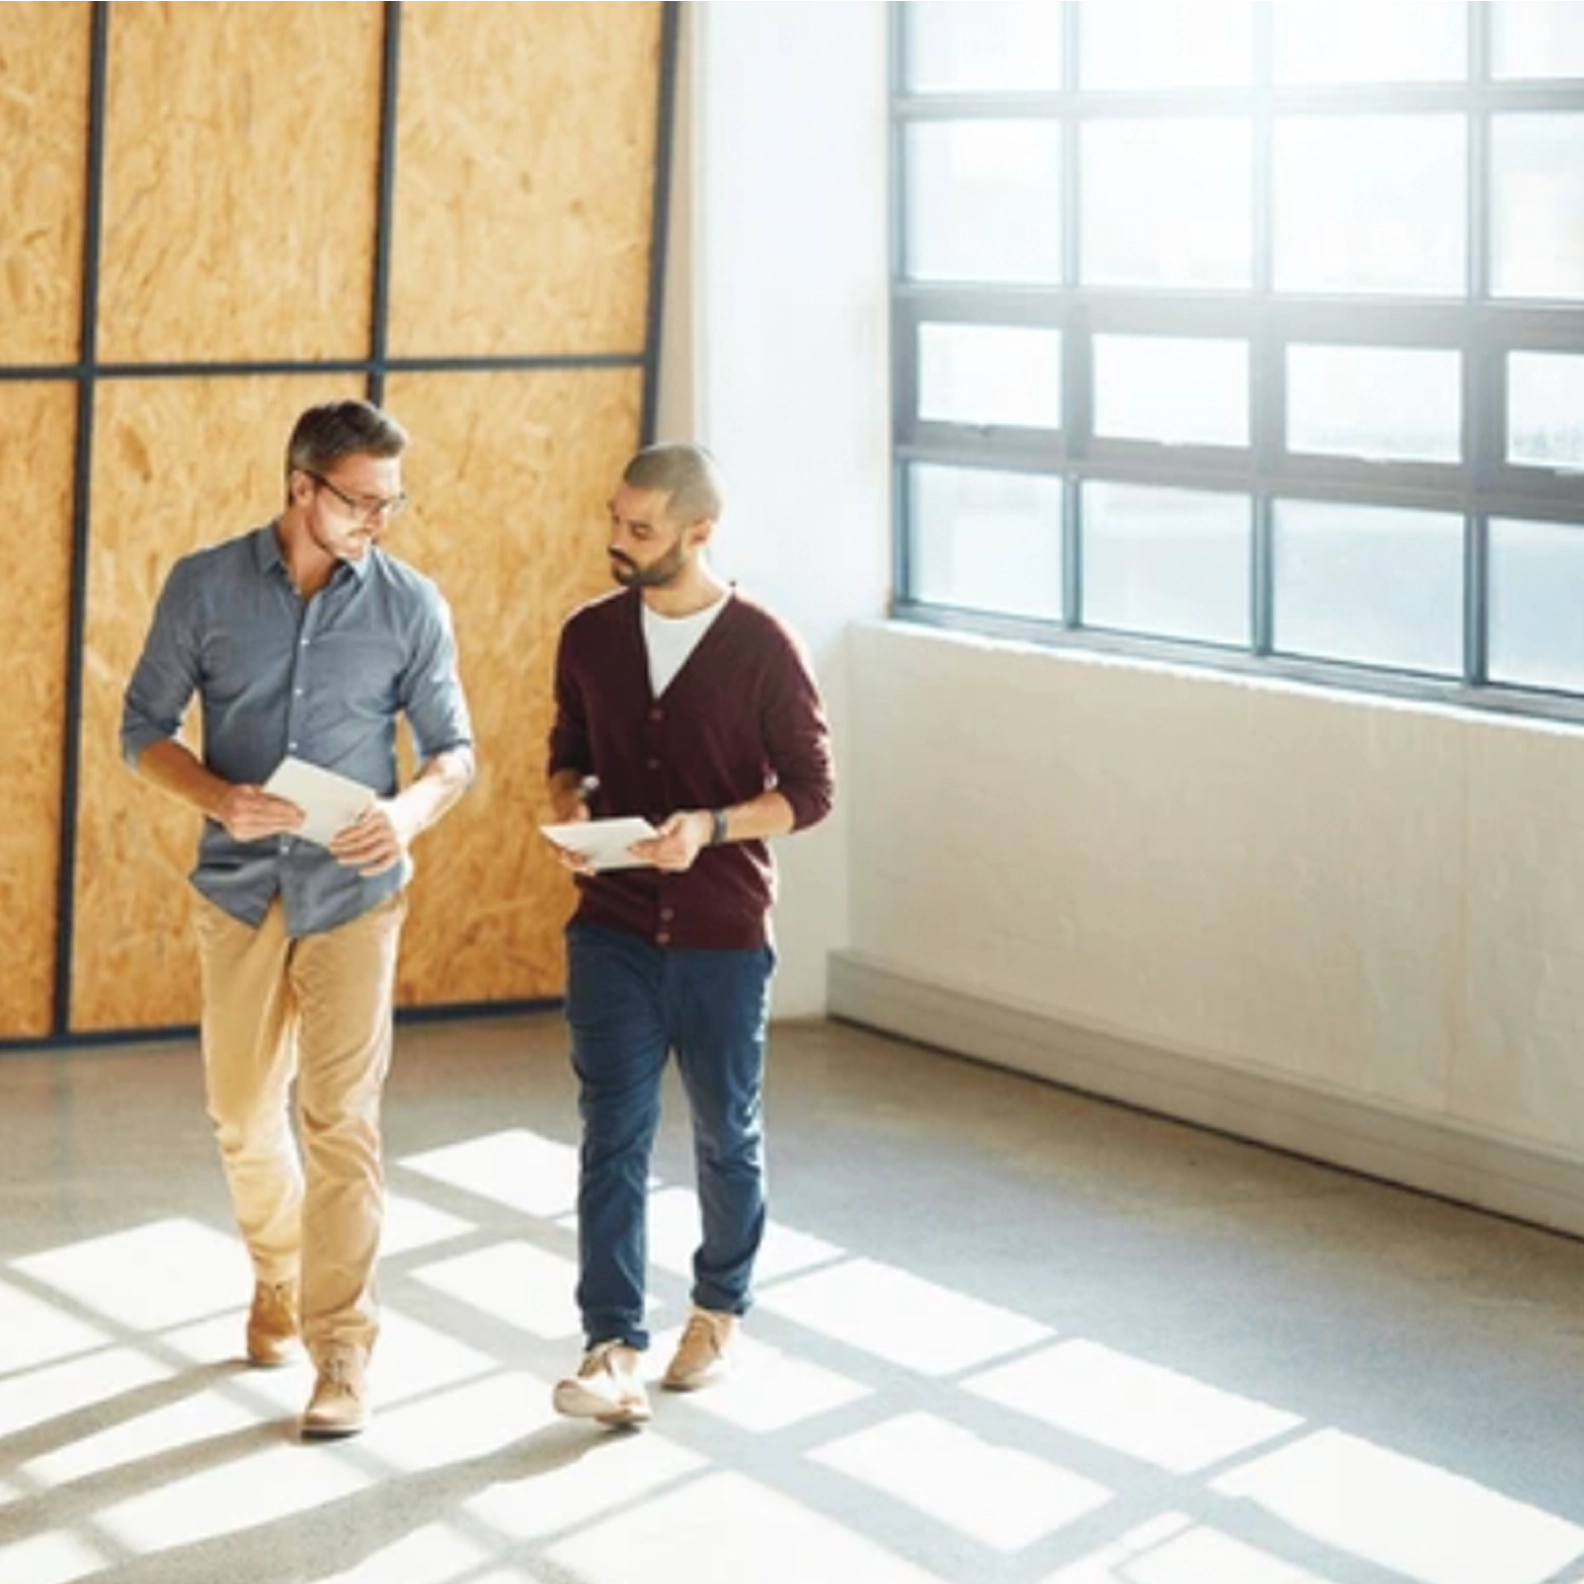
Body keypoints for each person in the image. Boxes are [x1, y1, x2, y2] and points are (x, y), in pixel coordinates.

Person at [121, 399, 475, 1439]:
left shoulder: (412, 605)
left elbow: (454, 750)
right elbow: (141, 728)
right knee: (241, 1114)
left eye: (391, 504)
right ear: (300, 488)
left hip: (355, 896)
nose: (379, 521)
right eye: (361, 501)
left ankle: (343, 1353)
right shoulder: (206, 586)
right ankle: (277, 1272)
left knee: (341, 1122)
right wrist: (216, 796)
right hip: (238, 886)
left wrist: (408, 812)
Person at [544, 441, 834, 1426]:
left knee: (725, 1135)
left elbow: (810, 792)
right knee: (611, 1137)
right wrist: (575, 819)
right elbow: (569, 754)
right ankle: (612, 1346)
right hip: (611, 930)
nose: (617, 542)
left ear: (700, 532)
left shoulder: (762, 645)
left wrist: (709, 827)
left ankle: (717, 1309)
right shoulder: (588, 635)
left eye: (642, 530)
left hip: (721, 932)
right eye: (615, 521)